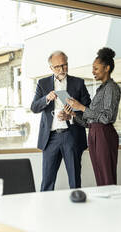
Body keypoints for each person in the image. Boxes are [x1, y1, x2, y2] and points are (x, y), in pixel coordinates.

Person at [31, 50, 91, 191]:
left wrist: (71, 116)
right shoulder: (42, 83)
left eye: (65, 65)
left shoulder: (78, 83)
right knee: (47, 182)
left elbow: (88, 111)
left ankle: (77, 210)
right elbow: (34, 107)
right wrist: (46, 98)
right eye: (58, 67)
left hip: (72, 135)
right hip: (50, 138)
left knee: (75, 182)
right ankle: (45, 210)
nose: (62, 69)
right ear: (51, 68)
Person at [64, 47, 121, 186]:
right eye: (92, 68)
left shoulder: (111, 88)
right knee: (100, 176)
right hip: (95, 133)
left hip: (104, 134)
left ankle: (111, 205)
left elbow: (107, 117)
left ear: (107, 68)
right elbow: (90, 122)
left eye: (96, 68)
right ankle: (105, 205)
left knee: (106, 176)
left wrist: (82, 107)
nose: (93, 71)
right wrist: (72, 115)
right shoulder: (101, 89)